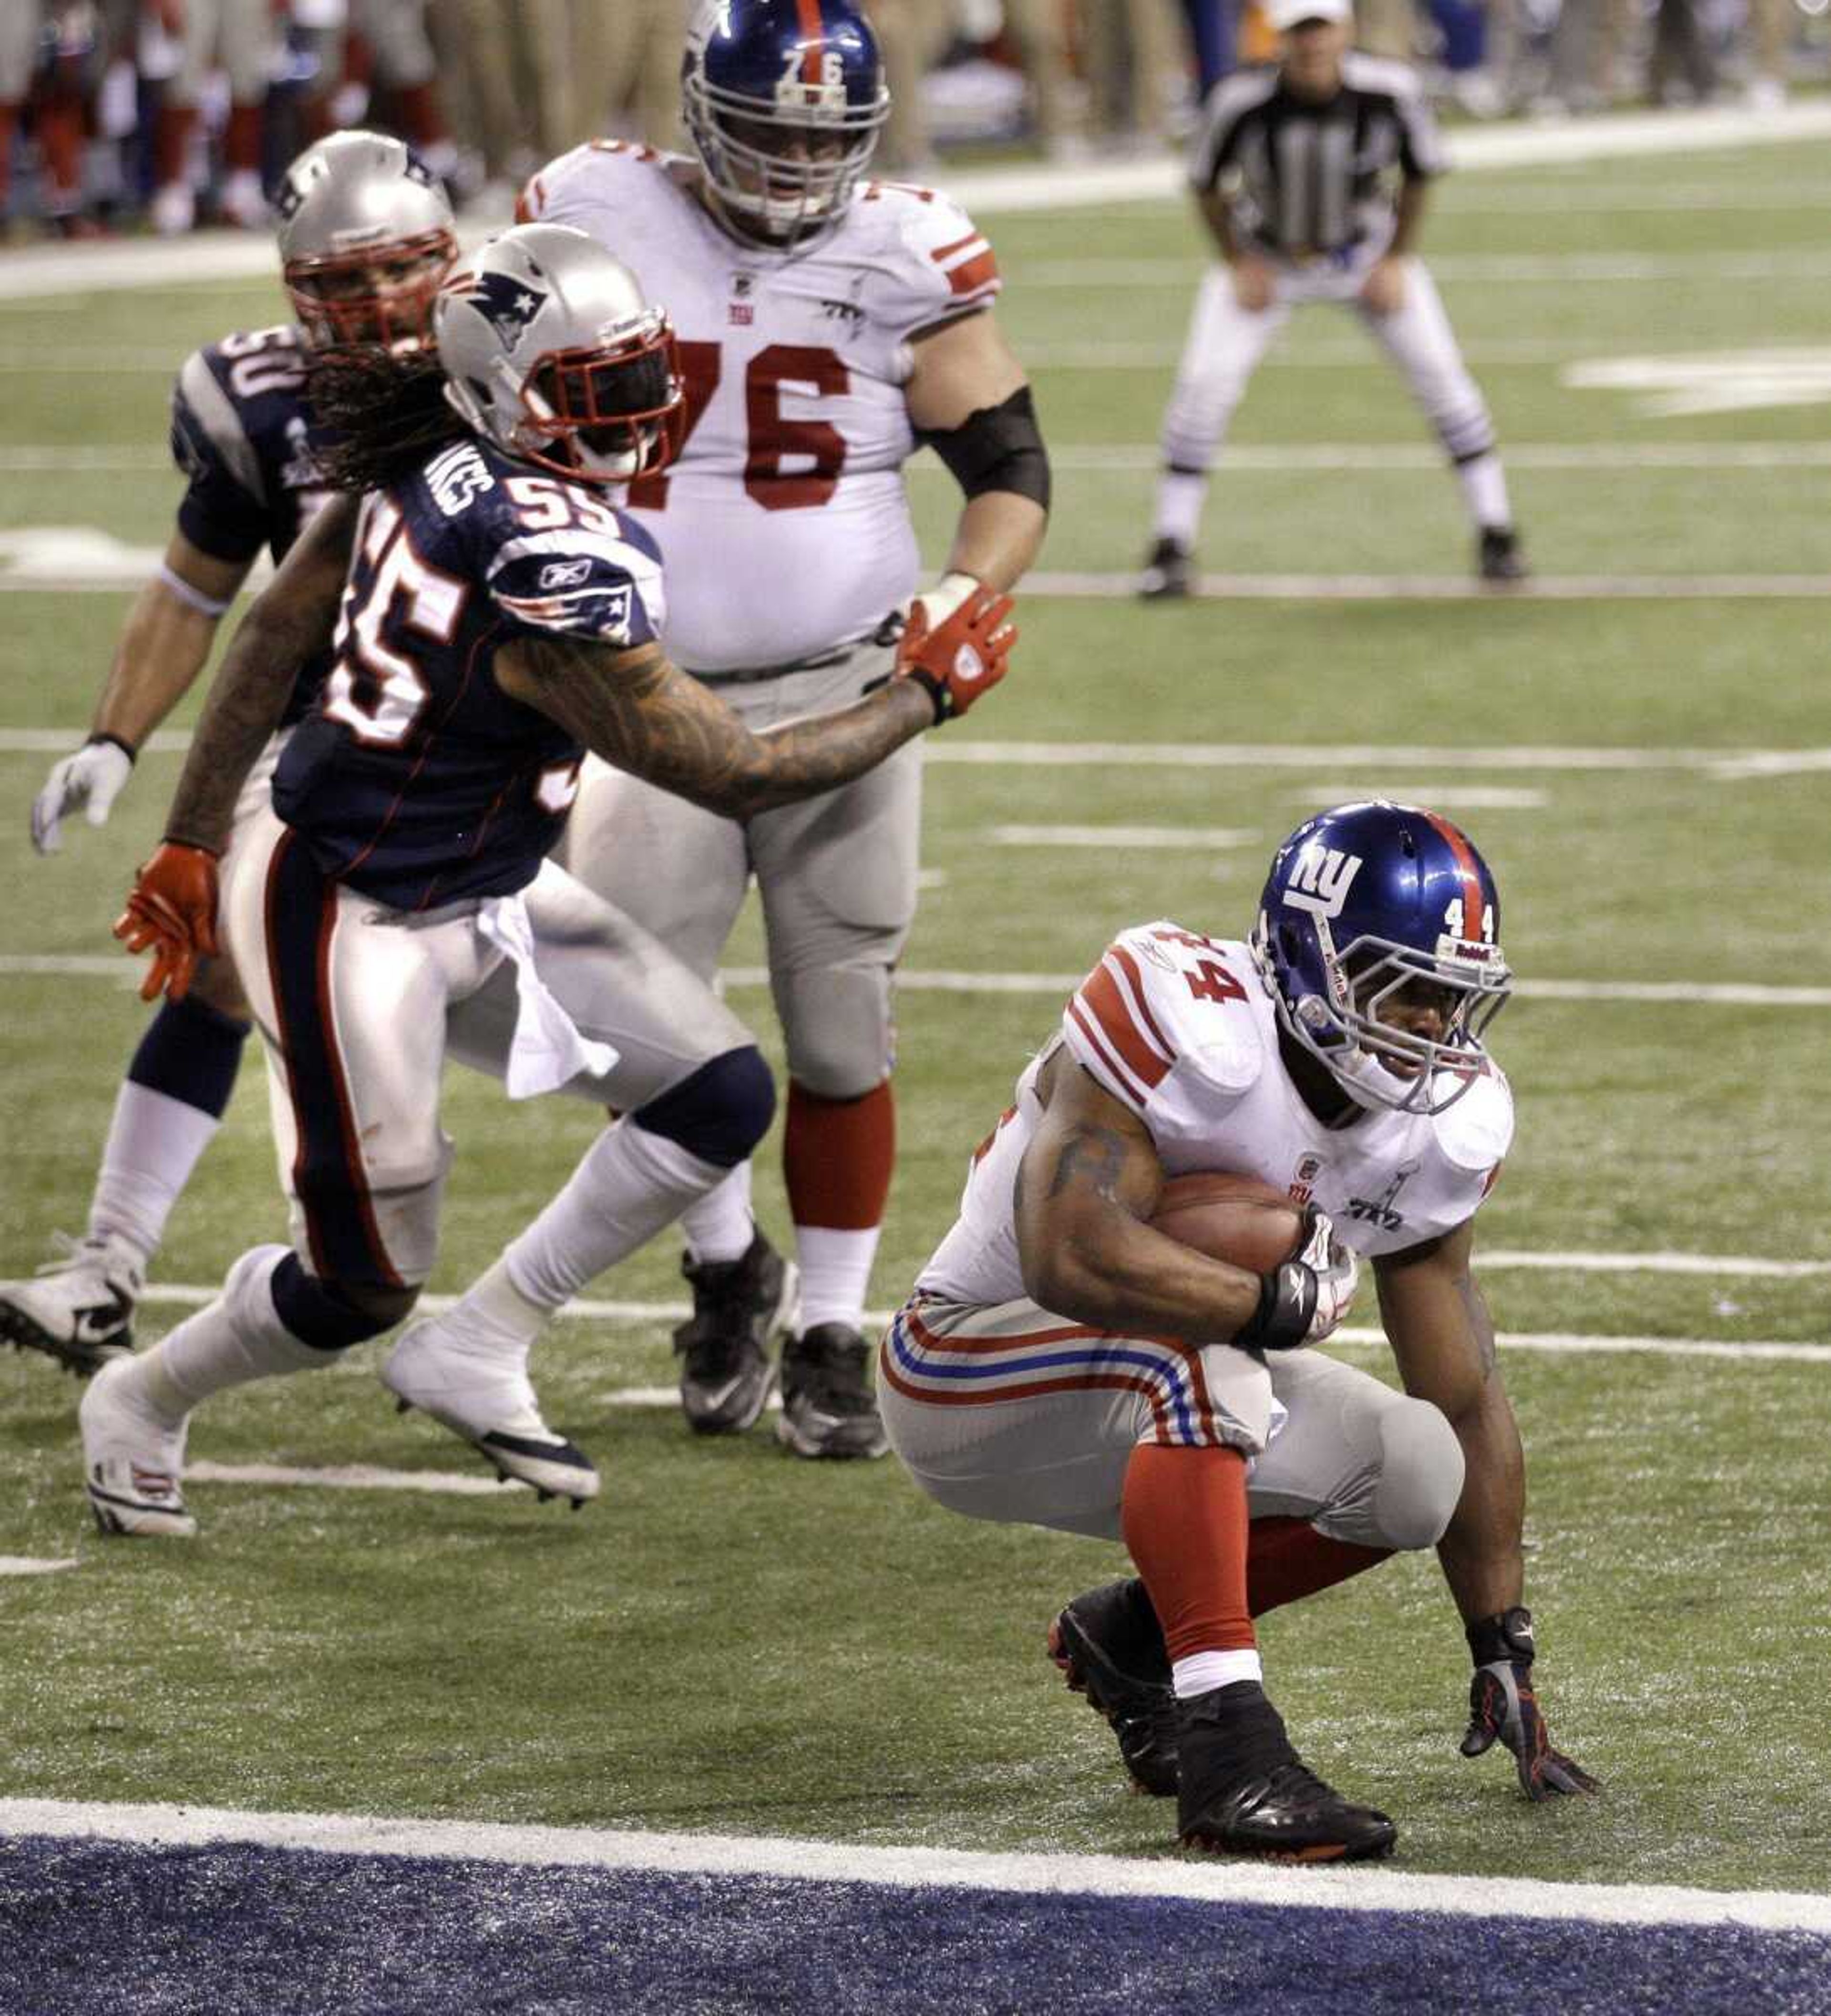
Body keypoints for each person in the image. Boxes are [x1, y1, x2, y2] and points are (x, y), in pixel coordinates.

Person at [85, 221, 1016, 1539]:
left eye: (637, 376)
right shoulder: (547, 562)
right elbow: (737, 770)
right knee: (359, 1281)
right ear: (495, 391)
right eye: (593, 393)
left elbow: (280, 619)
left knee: (719, 1089)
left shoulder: (426, 449)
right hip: (347, 904)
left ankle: (485, 1340)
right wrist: (925, 693)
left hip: (484, 887)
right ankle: (142, 1393)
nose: (634, 413)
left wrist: (190, 828)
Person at [499, 0, 1050, 1460]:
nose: (797, 163)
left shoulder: (908, 248)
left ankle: (825, 1318)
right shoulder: (592, 206)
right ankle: (721, 1258)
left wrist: (960, 593)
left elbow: (1009, 466)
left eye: (825, 137)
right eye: (770, 128)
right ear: (696, 108)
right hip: (642, 688)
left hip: (848, 687)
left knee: (838, 1026)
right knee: (648, 1033)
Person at [878, 801, 1598, 1857]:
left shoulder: (1441, 1123)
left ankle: (1132, 1635)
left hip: (1164, 1392)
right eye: (1408, 987)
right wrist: (1269, 1303)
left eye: (1454, 997)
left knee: (1413, 1463)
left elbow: (1465, 1389)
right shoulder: (1185, 1015)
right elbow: (1068, 1251)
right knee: (1204, 1342)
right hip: (968, 1361)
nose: (1434, 1028)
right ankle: (1227, 1749)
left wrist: (1503, 1642)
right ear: (1309, 959)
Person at [0, 131, 458, 1378]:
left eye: (403, 270)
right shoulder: (259, 396)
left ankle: (727, 1254)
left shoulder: (522, 354)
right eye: (343, 284)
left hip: (523, 741)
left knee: (631, 1027)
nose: (378, 305)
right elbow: (193, 588)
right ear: (295, 292)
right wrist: (112, 737)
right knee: (210, 964)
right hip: (342, 742)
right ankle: (103, 1273)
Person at [1138, 0, 1527, 598]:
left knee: (1444, 381)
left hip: (1362, 253)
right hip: (1269, 253)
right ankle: (1170, 545)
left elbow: (1422, 172)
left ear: (1344, 30)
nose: (1311, 44)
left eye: (1320, 28)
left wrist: (1396, 258)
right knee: (1203, 388)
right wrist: (1237, 261)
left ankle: (1497, 531)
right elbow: (1204, 184)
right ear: (1280, 37)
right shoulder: (1241, 99)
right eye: (1299, 31)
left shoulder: (1390, 89)